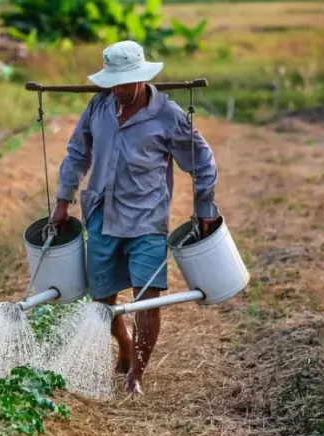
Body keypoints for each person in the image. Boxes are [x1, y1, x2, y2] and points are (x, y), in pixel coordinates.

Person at [50, 40, 220, 396]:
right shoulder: (98, 107)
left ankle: (136, 375)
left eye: (127, 83)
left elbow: (202, 161)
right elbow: (76, 154)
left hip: (147, 220)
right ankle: (125, 347)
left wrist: (204, 208)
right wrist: (63, 200)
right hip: (101, 215)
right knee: (103, 301)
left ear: (142, 78)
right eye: (114, 83)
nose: (120, 90)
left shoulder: (168, 116)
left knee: (147, 297)